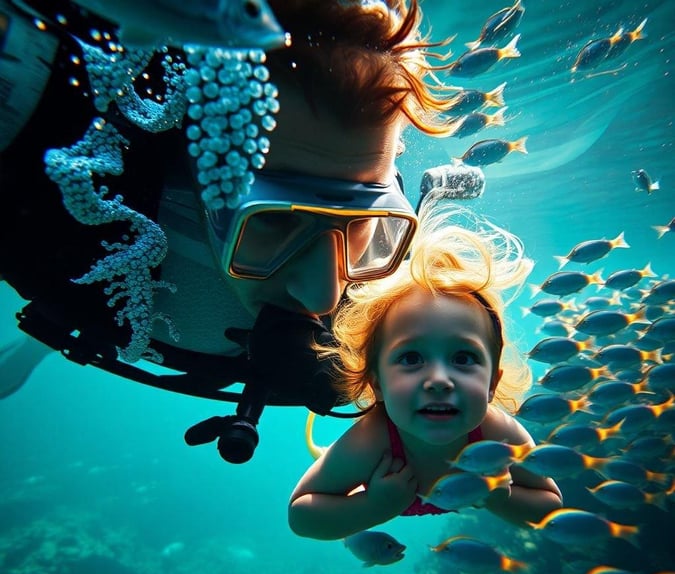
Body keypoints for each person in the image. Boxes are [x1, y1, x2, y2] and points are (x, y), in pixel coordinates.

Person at [0, 0, 468, 459]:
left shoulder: (388, 273)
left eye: (362, 222)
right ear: (193, 187)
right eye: (275, 221)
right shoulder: (73, 176)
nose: (324, 295)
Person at [288, 204, 563, 538]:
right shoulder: (374, 439)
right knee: (329, 456)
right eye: (411, 358)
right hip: (371, 474)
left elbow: (551, 506)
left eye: (463, 358)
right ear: (376, 383)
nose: (438, 380)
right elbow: (301, 515)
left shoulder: (496, 435)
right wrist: (372, 507)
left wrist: (499, 497)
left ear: (493, 383)